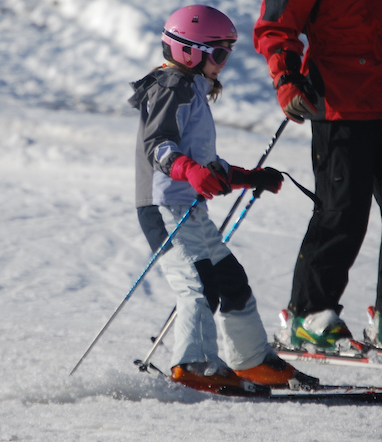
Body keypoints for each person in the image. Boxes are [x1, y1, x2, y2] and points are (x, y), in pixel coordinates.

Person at [128, 4, 318, 393]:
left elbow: (206, 164)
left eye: (227, 53)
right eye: (218, 53)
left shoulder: (192, 90)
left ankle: (251, 360)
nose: (224, 62)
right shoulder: (170, 88)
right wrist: (192, 172)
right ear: (188, 51)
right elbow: (158, 147)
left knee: (231, 281)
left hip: (189, 208)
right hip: (163, 207)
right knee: (198, 285)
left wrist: (248, 177)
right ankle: (193, 364)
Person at [253, 0, 382, 356]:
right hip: (339, 105)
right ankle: (308, 316)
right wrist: (286, 78)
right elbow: (276, 26)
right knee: (342, 212)